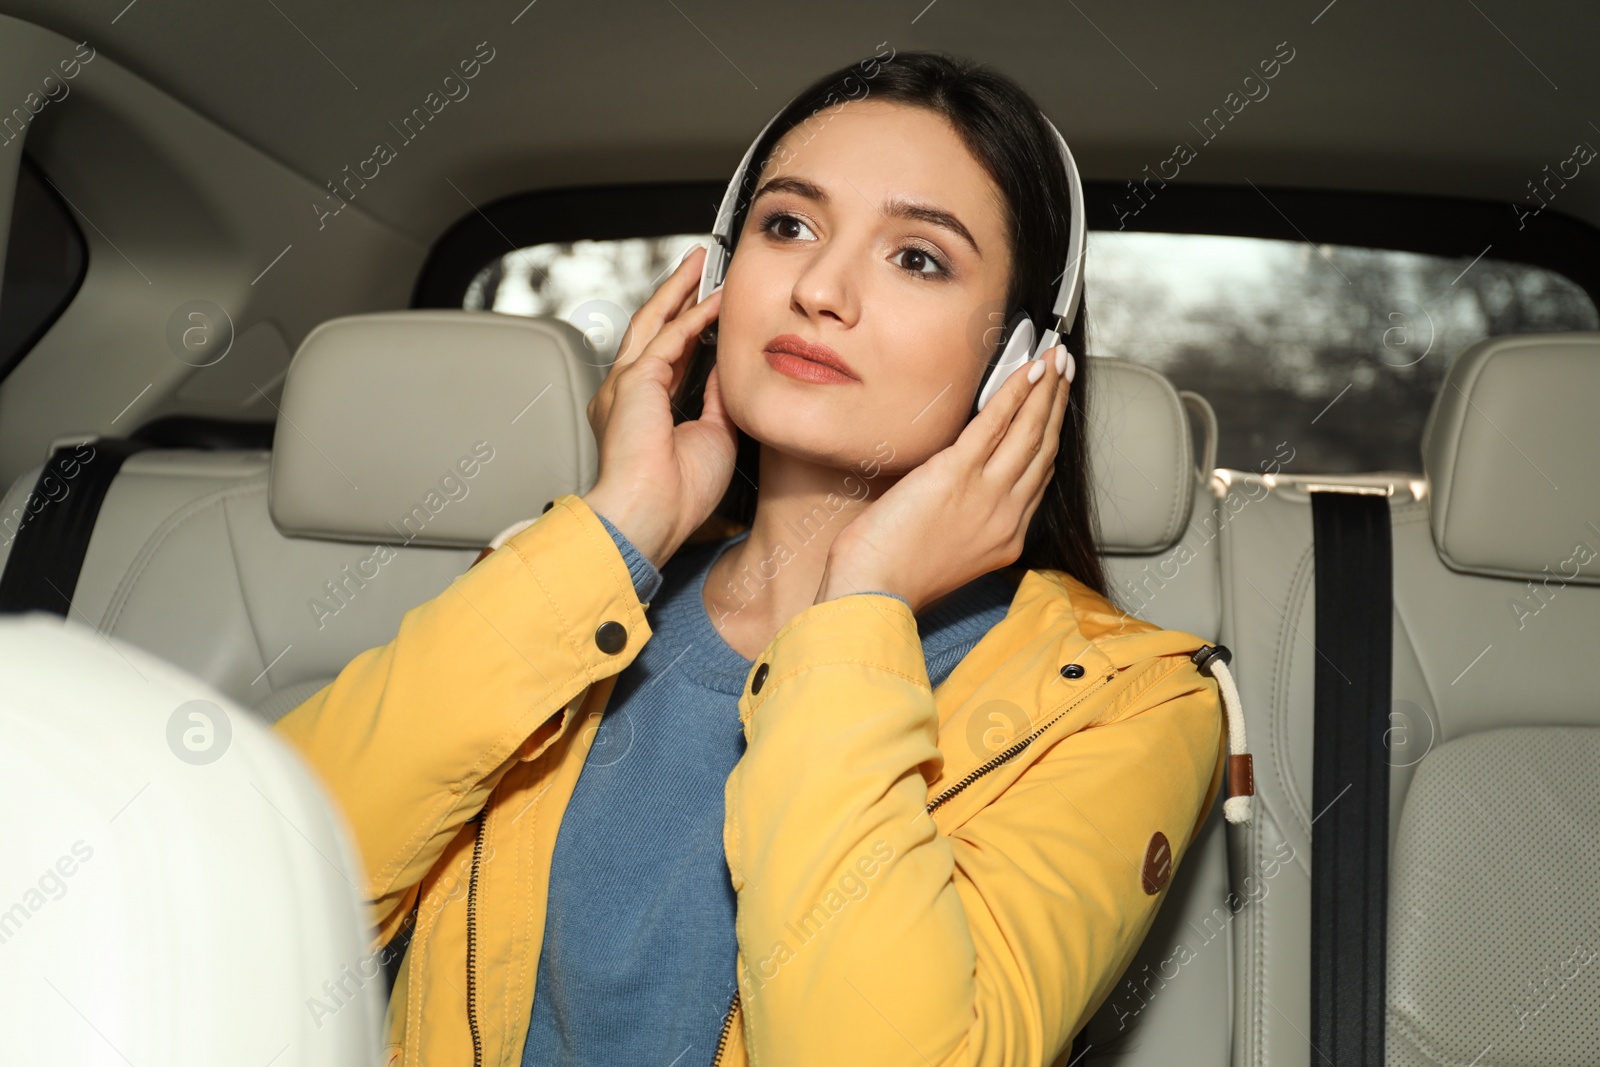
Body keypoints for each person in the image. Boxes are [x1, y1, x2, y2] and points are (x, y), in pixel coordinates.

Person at [274, 49, 1232, 1067]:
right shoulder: (560, 591)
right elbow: (258, 890)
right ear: (721, 279)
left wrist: (859, 607)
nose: (820, 286)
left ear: (1021, 363)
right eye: (788, 225)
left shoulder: (1130, 704)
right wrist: (618, 524)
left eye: (918, 257)